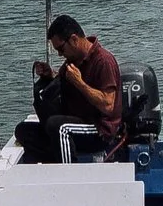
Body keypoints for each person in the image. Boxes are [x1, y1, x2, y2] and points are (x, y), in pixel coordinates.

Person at [42, 13, 126, 155]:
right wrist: (50, 74)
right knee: (25, 131)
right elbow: (62, 77)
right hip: (80, 120)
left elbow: (108, 105)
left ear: (74, 39)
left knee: (59, 127)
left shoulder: (104, 61)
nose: (60, 55)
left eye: (61, 49)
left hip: (101, 128)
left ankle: (69, 174)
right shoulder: (74, 60)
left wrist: (79, 83)